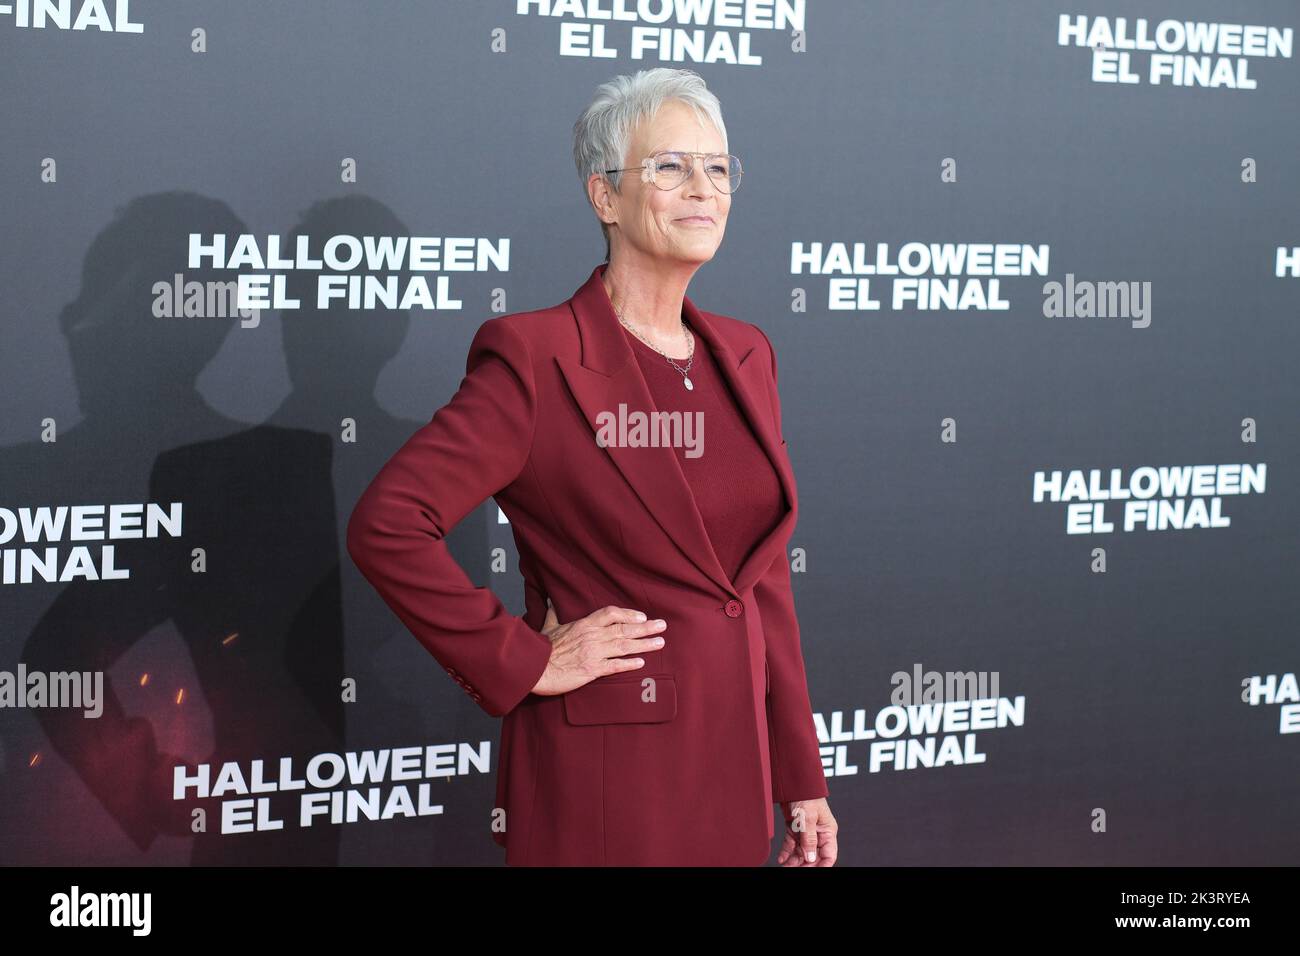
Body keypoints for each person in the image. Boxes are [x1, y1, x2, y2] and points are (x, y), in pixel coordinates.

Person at [347, 67, 836, 866]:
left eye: (718, 168)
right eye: (670, 167)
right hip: (608, 780)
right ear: (604, 197)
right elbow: (388, 525)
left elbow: (762, 583)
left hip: (734, 768)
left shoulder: (747, 355)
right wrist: (524, 658)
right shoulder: (536, 359)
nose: (702, 189)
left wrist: (800, 777)